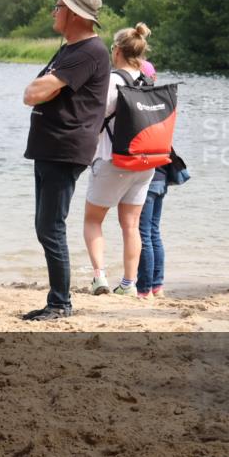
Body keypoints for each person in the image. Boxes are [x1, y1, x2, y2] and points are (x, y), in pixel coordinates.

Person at [21, 0, 110, 321]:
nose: (53, 12)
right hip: (51, 147)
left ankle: (60, 303)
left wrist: (45, 90)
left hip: (65, 147)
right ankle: (57, 300)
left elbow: (35, 91)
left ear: (73, 14)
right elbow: (34, 91)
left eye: (58, 7)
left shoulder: (89, 51)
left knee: (50, 227)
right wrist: (44, 90)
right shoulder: (69, 49)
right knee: (45, 226)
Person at [83, 23, 156, 298]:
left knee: (93, 220)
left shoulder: (112, 81)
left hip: (113, 160)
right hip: (145, 163)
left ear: (116, 52)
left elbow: (94, 116)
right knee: (131, 225)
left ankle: (99, 277)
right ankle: (129, 284)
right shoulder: (148, 81)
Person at [135, 61, 168, 299]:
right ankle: (157, 285)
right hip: (162, 173)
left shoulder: (139, 106)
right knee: (153, 231)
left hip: (148, 175)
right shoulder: (162, 104)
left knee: (143, 232)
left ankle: (144, 288)